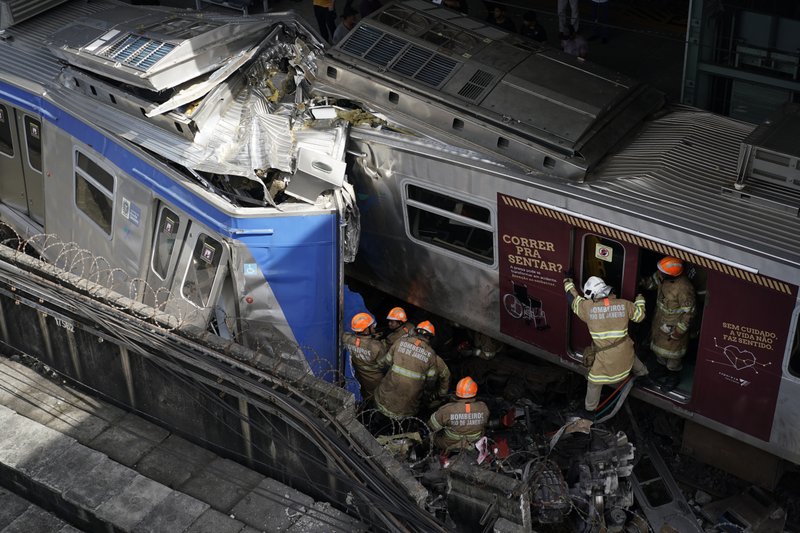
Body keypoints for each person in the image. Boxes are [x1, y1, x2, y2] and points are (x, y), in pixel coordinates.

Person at [564, 275, 648, 418]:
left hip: (606, 361)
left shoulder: (587, 308)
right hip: (625, 354)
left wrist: (567, 282)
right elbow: (640, 316)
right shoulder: (625, 304)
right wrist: (640, 300)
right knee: (628, 352)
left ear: (591, 294)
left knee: (594, 382)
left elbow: (573, 300)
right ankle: (644, 375)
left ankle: (590, 411)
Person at [374, 321, 451, 419]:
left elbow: (385, 365)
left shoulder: (399, 342)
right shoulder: (432, 356)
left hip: (383, 399)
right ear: (430, 337)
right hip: (407, 410)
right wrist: (432, 396)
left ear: (415, 332)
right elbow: (430, 383)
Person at [640, 257, 696, 391]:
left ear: (671, 274)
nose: (659, 273)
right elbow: (652, 283)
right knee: (659, 351)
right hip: (660, 321)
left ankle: (673, 376)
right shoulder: (662, 276)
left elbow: (690, 314)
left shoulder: (684, 288)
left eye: (662, 271)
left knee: (673, 357)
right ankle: (661, 369)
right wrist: (641, 282)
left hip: (673, 327)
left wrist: (678, 332)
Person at [429, 376, 490, 454]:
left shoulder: (447, 409)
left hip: (448, 444)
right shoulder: (483, 407)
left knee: (430, 435)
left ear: (457, 392)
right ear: (475, 392)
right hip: (474, 444)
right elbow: (485, 424)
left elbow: (431, 425)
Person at [343, 313, 387, 403]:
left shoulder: (346, 338)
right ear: (366, 330)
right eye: (372, 326)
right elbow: (384, 366)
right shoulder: (377, 346)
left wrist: (370, 337)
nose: (374, 328)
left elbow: (357, 340)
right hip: (375, 380)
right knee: (377, 400)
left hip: (359, 376)